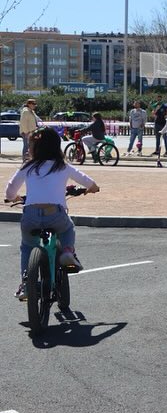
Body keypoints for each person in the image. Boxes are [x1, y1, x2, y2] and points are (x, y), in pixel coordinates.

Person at [5, 127, 100, 300]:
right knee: (68, 229)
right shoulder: (62, 166)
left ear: (35, 148)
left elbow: (10, 190)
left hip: (31, 216)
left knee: (27, 246)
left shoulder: (28, 167)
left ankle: (26, 284)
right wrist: (92, 189)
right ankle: (67, 252)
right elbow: (90, 182)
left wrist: (14, 198)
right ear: (56, 146)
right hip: (55, 215)